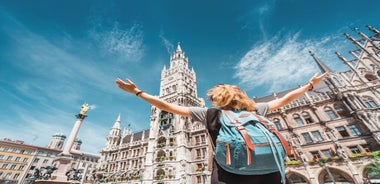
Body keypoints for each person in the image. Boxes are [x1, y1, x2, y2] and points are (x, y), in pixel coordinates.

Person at [116, 72, 328, 184]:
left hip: (229, 174)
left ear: (216, 99)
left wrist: (137, 92)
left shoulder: (209, 113)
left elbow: (167, 106)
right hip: (270, 172)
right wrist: (309, 85)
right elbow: (284, 99)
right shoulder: (256, 109)